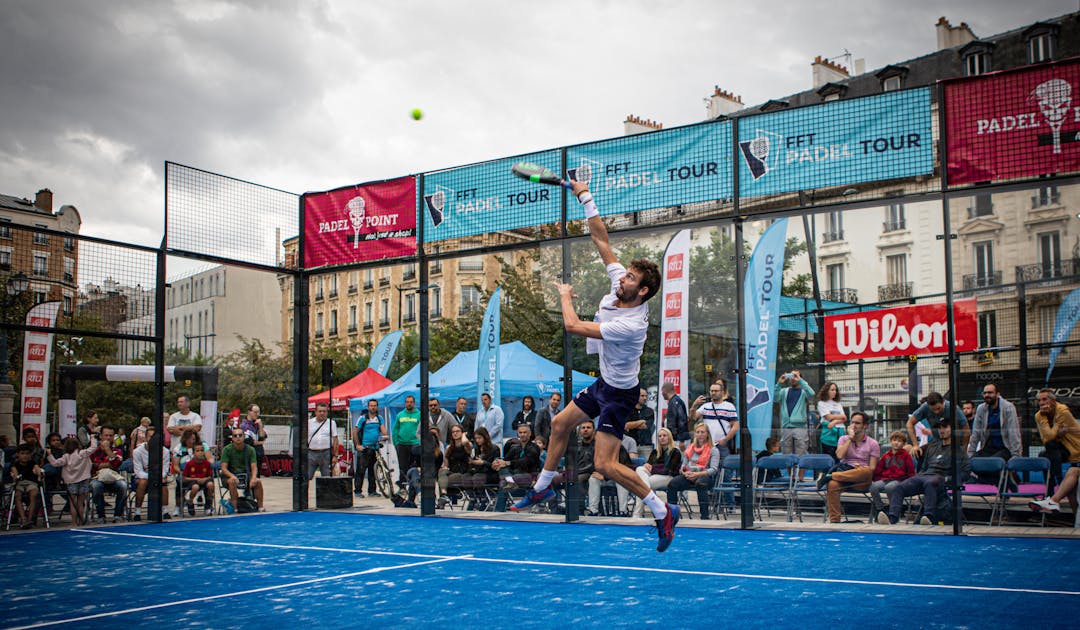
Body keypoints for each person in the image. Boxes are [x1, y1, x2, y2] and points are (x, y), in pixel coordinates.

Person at [511, 179, 676, 550]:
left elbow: (571, 326)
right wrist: (585, 195)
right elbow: (602, 240)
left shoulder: (631, 324)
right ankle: (541, 489)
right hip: (604, 383)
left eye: (631, 277)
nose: (623, 277)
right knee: (559, 423)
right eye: (627, 273)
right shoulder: (622, 286)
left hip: (619, 395)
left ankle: (662, 510)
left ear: (644, 291)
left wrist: (566, 296)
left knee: (605, 465)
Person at [880, 417, 971, 526]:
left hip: (940, 478)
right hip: (924, 476)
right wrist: (913, 448)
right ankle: (892, 518)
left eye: (945, 427)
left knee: (930, 483)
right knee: (899, 487)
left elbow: (966, 473)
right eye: (939, 428)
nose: (941, 430)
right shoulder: (931, 447)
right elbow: (919, 461)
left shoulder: (959, 450)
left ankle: (928, 517)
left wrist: (948, 479)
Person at [822, 411, 880, 524]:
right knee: (832, 484)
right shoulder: (843, 439)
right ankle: (835, 521)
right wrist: (850, 438)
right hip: (845, 474)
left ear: (865, 426)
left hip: (861, 479)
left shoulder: (873, 443)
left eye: (857, 423)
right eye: (852, 422)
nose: (853, 425)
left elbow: (872, 468)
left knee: (867, 470)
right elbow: (839, 455)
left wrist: (859, 469)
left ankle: (831, 476)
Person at [967, 384, 1022, 483]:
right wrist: (970, 453)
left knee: (992, 463)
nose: (987, 395)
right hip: (988, 447)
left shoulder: (1008, 407)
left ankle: (1005, 479)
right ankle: (1004, 480)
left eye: (990, 392)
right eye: (985, 393)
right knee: (972, 463)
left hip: (1005, 448)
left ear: (997, 394)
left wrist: (1016, 455)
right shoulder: (981, 409)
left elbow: (1014, 432)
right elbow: (976, 433)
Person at [664, 423, 720, 520]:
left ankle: (704, 516)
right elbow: (683, 466)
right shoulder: (690, 448)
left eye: (702, 432)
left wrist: (697, 474)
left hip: (705, 476)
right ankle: (672, 515)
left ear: (707, 434)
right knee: (672, 484)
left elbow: (713, 469)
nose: (700, 434)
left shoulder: (713, 449)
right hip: (689, 475)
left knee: (700, 483)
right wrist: (684, 472)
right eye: (698, 432)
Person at [1033, 388, 1080, 490]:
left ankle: (1055, 484)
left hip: (1073, 447)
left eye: (1044, 399)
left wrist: (1053, 433)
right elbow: (1045, 439)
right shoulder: (1039, 415)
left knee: (1049, 451)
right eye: (1039, 400)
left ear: (1053, 401)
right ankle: (1055, 483)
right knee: (1044, 454)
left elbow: (1049, 436)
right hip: (1056, 448)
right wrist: (1056, 433)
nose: (1041, 403)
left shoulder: (1063, 411)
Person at [631, 427, 681, 518]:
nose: (662, 437)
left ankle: (637, 513)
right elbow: (649, 465)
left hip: (669, 478)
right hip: (654, 475)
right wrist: (647, 465)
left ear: (669, 437)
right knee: (639, 469)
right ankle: (651, 505)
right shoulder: (655, 452)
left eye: (664, 435)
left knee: (642, 485)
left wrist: (653, 468)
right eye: (660, 436)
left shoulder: (675, 452)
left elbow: (669, 470)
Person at [48, 436, 96, 527]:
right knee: (80, 503)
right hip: (84, 480)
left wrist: (49, 455)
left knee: (72, 503)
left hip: (71, 481)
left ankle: (74, 522)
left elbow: (55, 463)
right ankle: (81, 521)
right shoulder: (82, 453)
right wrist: (93, 439)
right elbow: (93, 448)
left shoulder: (66, 457)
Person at [494, 424, 541, 511]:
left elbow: (525, 462)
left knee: (504, 482)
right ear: (517, 434)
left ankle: (498, 510)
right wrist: (497, 463)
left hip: (528, 476)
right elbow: (505, 460)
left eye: (525, 432)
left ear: (530, 434)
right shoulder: (514, 448)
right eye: (520, 432)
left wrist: (507, 463)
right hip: (513, 475)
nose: (522, 434)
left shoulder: (534, 448)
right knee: (503, 473)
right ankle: (498, 512)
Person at [906, 392, 970, 456]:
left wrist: (963, 450)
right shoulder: (925, 407)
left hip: (955, 444)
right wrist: (915, 445)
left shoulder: (953, 408)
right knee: (918, 453)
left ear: (943, 402)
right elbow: (909, 423)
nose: (936, 412)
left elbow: (966, 430)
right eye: (933, 410)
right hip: (937, 443)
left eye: (938, 408)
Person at [869, 431, 915, 517]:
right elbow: (879, 469)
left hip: (900, 480)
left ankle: (893, 509)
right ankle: (880, 509)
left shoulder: (906, 456)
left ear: (903, 444)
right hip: (886, 479)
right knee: (873, 487)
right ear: (891, 441)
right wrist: (876, 479)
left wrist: (909, 483)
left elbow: (911, 472)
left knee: (889, 487)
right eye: (894, 440)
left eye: (899, 441)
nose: (896, 443)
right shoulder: (886, 455)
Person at [690, 379, 739, 458]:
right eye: (711, 391)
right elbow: (693, 417)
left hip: (721, 444)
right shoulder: (706, 406)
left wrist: (725, 440)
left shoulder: (729, 406)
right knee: (707, 467)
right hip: (707, 444)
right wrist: (694, 405)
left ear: (722, 392)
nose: (713, 393)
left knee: (724, 466)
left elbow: (735, 426)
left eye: (716, 391)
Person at [132, 425, 172, 521]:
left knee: (163, 482)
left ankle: (165, 511)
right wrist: (151, 477)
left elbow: (165, 469)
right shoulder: (137, 451)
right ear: (146, 438)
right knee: (143, 482)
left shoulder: (165, 452)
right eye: (150, 437)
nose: (153, 439)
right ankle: (137, 512)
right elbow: (138, 471)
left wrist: (158, 477)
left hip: (158, 477)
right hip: (142, 478)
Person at [220, 428, 264, 512]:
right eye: (235, 436)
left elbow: (254, 467)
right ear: (232, 438)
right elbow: (224, 468)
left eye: (240, 435)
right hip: (230, 475)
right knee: (232, 482)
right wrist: (232, 476)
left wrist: (254, 477)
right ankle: (235, 508)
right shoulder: (227, 450)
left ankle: (260, 507)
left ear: (244, 437)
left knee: (258, 481)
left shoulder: (250, 449)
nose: (238, 437)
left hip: (246, 474)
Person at [90, 426, 128, 522]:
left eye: (110, 436)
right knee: (96, 486)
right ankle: (101, 515)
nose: (108, 438)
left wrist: (107, 450)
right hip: (97, 478)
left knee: (123, 486)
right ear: (101, 436)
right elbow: (92, 465)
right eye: (106, 435)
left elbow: (116, 464)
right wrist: (108, 463)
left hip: (113, 479)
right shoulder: (93, 450)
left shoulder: (118, 450)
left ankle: (118, 515)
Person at [776, 370, 814, 456]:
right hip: (786, 426)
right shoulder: (784, 391)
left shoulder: (804, 392)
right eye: (791, 376)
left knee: (801, 453)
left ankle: (800, 469)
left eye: (795, 376)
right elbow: (775, 398)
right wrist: (779, 384)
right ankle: (788, 470)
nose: (793, 379)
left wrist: (800, 380)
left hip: (800, 427)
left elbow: (812, 394)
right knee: (786, 453)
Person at [353, 399, 386, 497]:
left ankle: (372, 491)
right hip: (364, 448)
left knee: (373, 471)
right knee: (361, 470)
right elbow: (355, 431)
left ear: (377, 407)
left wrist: (386, 435)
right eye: (371, 405)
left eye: (375, 405)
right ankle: (358, 491)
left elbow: (383, 429)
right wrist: (357, 445)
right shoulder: (363, 418)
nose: (373, 407)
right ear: (368, 407)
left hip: (375, 447)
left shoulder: (379, 418)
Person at [9, 444, 43, 528]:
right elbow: (14, 473)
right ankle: (23, 518)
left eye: (27, 453)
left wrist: (39, 473)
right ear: (18, 454)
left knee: (34, 494)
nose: (25, 456)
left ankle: (29, 519)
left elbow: (37, 469)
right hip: (19, 483)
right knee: (17, 495)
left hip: (31, 483)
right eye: (22, 453)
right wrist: (15, 476)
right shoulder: (15, 464)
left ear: (30, 454)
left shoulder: (32, 463)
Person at [438, 424, 473, 504]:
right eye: (453, 432)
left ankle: (443, 498)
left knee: (442, 480)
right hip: (452, 472)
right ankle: (444, 495)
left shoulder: (467, 445)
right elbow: (446, 462)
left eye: (457, 431)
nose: (455, 433)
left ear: (462, 433)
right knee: (442, 472)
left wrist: (464, 434)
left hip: (463, 473)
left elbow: (465, 442)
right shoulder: (449, 447)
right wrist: (445, 467)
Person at [306, 402, 339, 480]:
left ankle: (326, 492)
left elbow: (335, 440)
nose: (322, 413)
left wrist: (335, 456)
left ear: (327, 412)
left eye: (324, 411)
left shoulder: (332, 423)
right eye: (320, 411)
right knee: (306, 477)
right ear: (316, 412)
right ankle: (304, 492)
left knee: (327, 478)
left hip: (326, 454)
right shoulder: (309, 422)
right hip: (311, 453)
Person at [181, 443, 215, 516]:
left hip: (204, 480)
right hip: (192, 481)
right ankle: (190, 502)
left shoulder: (206, 463)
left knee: (210, 484)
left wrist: (204, 479)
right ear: (193, 453)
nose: (200, 452)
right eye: (197, 451)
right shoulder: (189, 464)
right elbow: (184, 478)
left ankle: (208, 504)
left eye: (202, 450)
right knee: (195, 487)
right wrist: (196, 479)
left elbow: (210, 476)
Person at [392, 396, 420, 484]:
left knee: (414, 465)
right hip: (402, 444)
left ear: (414, 403)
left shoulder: (419, 414)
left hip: (415, 444)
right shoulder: (400, 415)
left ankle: (414, 483)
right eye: (407, 402)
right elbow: (395, 429)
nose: (409, 403)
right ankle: (403, 485)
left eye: (411, 402)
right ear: (405, 403)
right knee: (402, 466)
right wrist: (396, 443)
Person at [816, 382, 846, 460]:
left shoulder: (838, 404)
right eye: (832, 390)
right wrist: (839, 417)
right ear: (826, 391)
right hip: (829, 434)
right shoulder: (821, 403)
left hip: (840, 432)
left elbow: (844, 418)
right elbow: (828, 417)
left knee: (839, 457)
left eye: (835, 390)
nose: (834, 392)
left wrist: (835, 421)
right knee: (829, 458)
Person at [624, 389, 655, 462]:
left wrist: (633, 424)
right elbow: (626, 425)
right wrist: (640, 421)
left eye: (646, 396)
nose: (645, 398)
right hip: (631, 445)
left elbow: (646, 426)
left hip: (645, 445)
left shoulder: (649, 411)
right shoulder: (628, 410)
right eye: (642, 396)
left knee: (647, 467)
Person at [240, 404, 268, 474]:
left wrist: (260, 426)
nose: (257, 414)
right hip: (249, 455)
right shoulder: (244, 425)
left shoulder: (257, 423)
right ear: (249, 412)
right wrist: (260, 443)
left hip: (258, 455)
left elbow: (262, 437)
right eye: (255, 412)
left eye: (258, 412)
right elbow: (251, 442)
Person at [660, 382, 689, 448]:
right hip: (675, 439)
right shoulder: (673, 401)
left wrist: (681, 439)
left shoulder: (674, 402)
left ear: (664, 390)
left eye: (662, 391)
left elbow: (682, 420)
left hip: (677, 440)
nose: (662, 394)